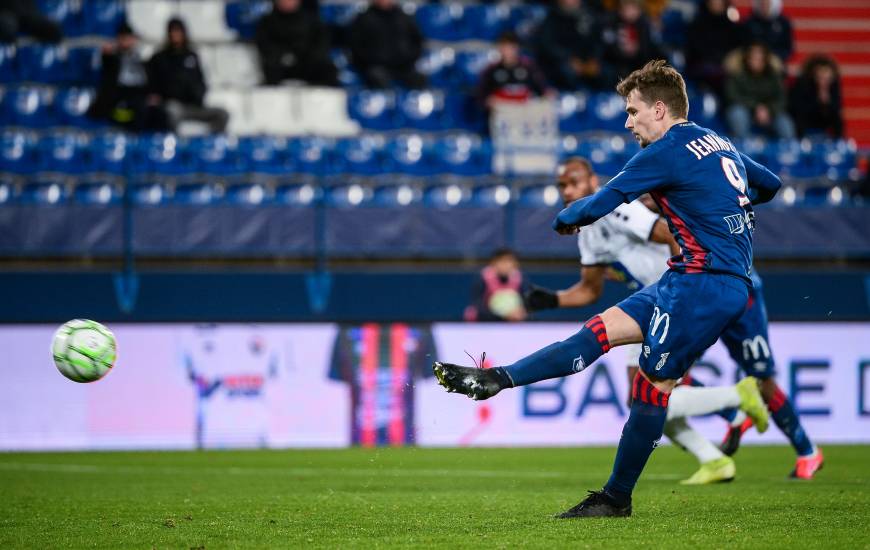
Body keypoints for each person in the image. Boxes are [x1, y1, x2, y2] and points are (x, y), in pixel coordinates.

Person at [434, 59, 786, 518]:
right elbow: (770, 184)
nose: (628, 121)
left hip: (707, 282)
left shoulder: (667, 149)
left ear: (660, 110)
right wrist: (726, 205)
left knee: (651, 386)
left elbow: (602, 201)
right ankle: (497, 379)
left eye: (633, 111)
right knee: (596, 332)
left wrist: (565, 218)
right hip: (684, 277)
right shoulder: (717, 142)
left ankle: (616, 497)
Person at [523, 157, 767, 485]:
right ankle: (714, 458)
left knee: (647, 393)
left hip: (673, 299)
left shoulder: (619, 207)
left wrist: (684, 283)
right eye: (562, 186)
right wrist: (552, 300)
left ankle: (737, 397)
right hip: (647, 305)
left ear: (593, 180)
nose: (568, 190)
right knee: (642, 396)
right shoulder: (590, 229)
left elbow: (668, 233)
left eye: (575, 182)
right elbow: (589, 290)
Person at [148, 18, 229, 134]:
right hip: (174, 104)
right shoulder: (159, 58)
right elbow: (153, 85)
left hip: (195, 106)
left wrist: (197, 94)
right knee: (171, 112)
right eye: (173, 31)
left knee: (222, 114)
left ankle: (207, 144)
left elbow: (201, 82)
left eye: (178, 31)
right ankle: (176, 145)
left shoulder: (192, 56)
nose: (175, 34)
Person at [88, 22, 169, 132]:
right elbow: (107, 66)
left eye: (129, 37)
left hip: (140, 99)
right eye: (123, 38)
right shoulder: (113, 58)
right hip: (119, 104)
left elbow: (149, 82)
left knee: (161, 113)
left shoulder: (141, 60)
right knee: (139, 109)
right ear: (118, 39)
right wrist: (106, 54)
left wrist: (153, 95)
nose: (126, 41)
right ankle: (135, 144)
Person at [255, 0, 339, 86]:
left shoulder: (312, 21)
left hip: (308, 64)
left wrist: (307, 57)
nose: (287, 2)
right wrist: (284, 57)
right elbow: (265, 46)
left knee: (328, 70)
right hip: (279, 65)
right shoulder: (266, 23)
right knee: (270, 68)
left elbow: (322, 44)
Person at [348, 0, 426, 89]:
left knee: (419, 78)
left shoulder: (404, 18)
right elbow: (355, 46)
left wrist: (409, 58)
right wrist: (369, 61)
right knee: (377, 78)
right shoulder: (363, 19)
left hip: (404, 66)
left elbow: (417, 41)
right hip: (375, 66)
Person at [725, 42, 795, 140]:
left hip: (770, 113)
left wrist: (769, 110)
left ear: (765, 60)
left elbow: (781, 99)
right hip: (746, 111)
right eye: (753, 58)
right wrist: (756, 108)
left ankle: (788, 150)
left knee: (784, 122)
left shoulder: (774, 76)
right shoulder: (737, 74)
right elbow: (732, 97)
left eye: (759, 59)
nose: (756, 62)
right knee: (737, 114)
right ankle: (743, 147)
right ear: (747, 59)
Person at [532, 0, 608, 90]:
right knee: (566, 72)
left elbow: (598, 41)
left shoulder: (590, 15)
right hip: (562, 61)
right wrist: (569, 58)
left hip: (588, 60)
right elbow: (547, 45)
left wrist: (595, 58)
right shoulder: (553, 17)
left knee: (607, 72)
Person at [478, 32, 550, 108]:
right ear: (499, 48)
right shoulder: (491, 70)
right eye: (504, 47)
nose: (508, 51)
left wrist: (546, 94)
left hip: (525, 109)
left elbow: (542, 89)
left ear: (517, 47)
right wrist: (488, 100)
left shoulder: (529, 67)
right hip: (502, 110)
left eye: (511, 47)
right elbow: (482, 94)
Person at [685, 0, 742, 97]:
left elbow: (736, 50)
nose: (717, 3)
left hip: (726, 74)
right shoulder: (697, 24)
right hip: (702, 74)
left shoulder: (732, 27)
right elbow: (693, 52)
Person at [601, 0, 665, 85]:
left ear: (639, 10)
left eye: (633, 8)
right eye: (626, 8)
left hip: (640, 63)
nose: (629, 12)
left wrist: (637, 50)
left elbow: (649, 50)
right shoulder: (611, 22)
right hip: (618, 64)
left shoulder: (644, 24)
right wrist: (623, 51)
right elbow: (607, 48)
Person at [464, 248, 530, 322]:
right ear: (493, 263)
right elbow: (478, 305)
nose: (506, 265)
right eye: (502, 261)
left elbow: (526, 304)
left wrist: (521, 312)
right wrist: (504, 315)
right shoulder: (483, 278)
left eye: (509, 261)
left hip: (512, 322)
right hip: (487, 322)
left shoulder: (520, 278)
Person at [789, 55, 844, 139]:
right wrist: (817, 100)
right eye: (821, 76)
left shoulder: (833, 86)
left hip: (822, 119)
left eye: (827, 78)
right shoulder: (803, 84)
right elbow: (798, 109)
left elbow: (837, 107)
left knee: (838, 117)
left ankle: (839, 141)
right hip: (804, 119)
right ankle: (800, 141)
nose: (824, 80)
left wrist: (828, 103)